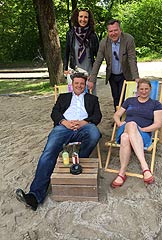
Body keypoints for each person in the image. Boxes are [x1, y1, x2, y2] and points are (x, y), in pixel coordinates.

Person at [16, 73, 102, 211]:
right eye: (76, 83)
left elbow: (98, 116)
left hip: (84, 127)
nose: (79, 85)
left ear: (85, 85)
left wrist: (83, 122)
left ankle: (78, 159)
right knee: (49, 152)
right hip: (64, 128)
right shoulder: (64, 97)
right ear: (72, 85)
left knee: (94, 133)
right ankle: (35, 195)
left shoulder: (92, 99)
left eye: (81, 83)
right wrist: (64, 122)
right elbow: (54, 113)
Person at [111, 79, 162, 188]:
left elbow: (158, 123)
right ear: (137, 90)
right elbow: (116, 115)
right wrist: (119, 123)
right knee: (131, 124)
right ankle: (145, 167)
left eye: (146, 89)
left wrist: (143, 130)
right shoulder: (130, 100)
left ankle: (121, 173)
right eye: (141, 89)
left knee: (126, 137)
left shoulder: (155, 104)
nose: (144, 91)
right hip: (125, 128)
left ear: (150, 89)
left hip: (143, 134)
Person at [88, 19, 140, 111]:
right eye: (110, 31)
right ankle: (118, 117)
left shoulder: (129, 39)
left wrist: (136, 77)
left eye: (115, 30)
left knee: (123, 96)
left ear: (120, 30)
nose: (113, 33)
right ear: (108, 32)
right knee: (115, 97)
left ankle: (125, 118)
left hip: (125, 74)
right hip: (112, 75)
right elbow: (98, 61)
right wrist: (92, 79)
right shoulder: (104, 43)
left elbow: (132, 59)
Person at [63, 7, 99, 94]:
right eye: (81, 16)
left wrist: (94, 73)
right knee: (76, 97)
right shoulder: (70, 34)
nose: (83, 19)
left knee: (90, 97)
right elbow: (66, 52)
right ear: (77, 17)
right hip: (75, 70)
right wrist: (65, 68)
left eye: (86, 17)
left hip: (89, 71)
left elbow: (98, 56)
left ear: (89, 19)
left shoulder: (93, 35)